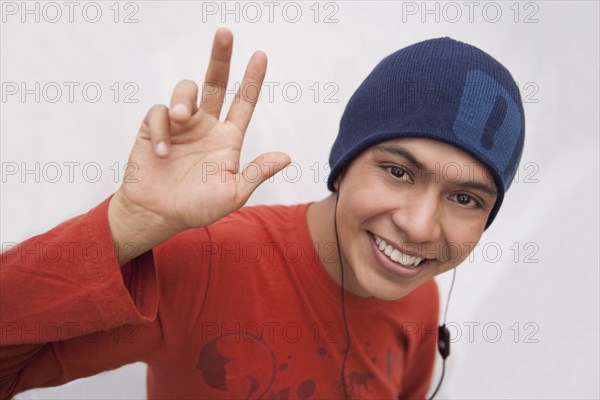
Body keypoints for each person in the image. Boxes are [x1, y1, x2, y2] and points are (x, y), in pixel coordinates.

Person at [0, 28, 524, 399]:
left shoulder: (419, 298)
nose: (418, 226)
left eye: (465, 199)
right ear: (342, 166)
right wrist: (124, 226)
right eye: (399, 172)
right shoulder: (208, 261)